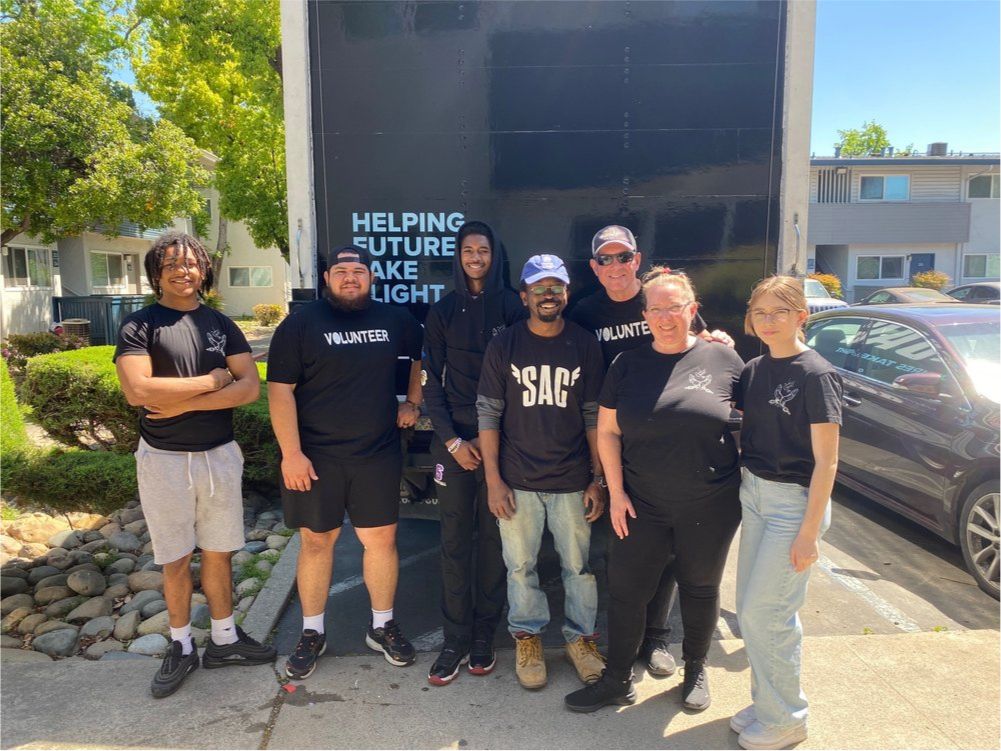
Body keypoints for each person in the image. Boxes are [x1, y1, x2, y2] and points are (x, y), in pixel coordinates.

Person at [565, 268, 743, 714]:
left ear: (693, 310)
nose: (666, 317)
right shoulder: (627, 364)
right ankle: (617, 679)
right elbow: (607, 432)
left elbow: (754, 425)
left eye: (675, 308)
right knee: (626, 592)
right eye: (657, 309)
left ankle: (696, 669)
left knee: (700, 588)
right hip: (640, 502)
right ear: (645, 315)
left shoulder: (724, 360)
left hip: (710, 504)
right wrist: (616, 491)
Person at [114, 231, 275, 699]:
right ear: (156, 273)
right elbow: (137, 391)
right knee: (176, 557)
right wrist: (211, 380)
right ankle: (181, 645)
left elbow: (248, 388)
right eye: (171, 264)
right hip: (163, 460)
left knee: (221, 550)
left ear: (203, 269)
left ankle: (224, 639)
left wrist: (184, 403)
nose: (182, 271)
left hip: (219, 455)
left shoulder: (221, 324)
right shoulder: (140, 325)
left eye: (190, 263)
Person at [267, 244, 424, 680]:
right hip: (316, 457)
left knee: (381, 541)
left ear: (370, 278)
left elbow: (420, 359)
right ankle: (313, 632)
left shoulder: (395, 320)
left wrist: (412, 400)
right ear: (327, 279)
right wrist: (291, 454)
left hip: (376, 452)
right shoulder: (300, 324)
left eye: (358, 271)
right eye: (341, 271)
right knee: (317, 543)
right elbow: (279, 392)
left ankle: (382, 625)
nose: (350, 277)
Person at [477, 254, 607, 691]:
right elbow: (489, 414)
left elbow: (594, 417)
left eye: (556, 287)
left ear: (566, 293)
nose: (548, 294)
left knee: (579, 568)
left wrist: (598, 478)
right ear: (524, 295)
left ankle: (581, 641)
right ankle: (528, 640)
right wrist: (494, 481)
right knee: (520, 568)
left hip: (572, 480)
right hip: (517, 482)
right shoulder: (505, 344)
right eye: (539, 287)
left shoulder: (584, 343)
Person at [729, 276, 841, 751]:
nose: (768, 321)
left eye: (780, 312)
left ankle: (787, 719)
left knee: (766, 614)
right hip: (754, 496)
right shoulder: (754, 369)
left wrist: (809, 532)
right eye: (760, 313)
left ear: (801, 316)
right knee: (755, 611)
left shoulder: (816, 374)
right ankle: (769, 702)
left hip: (792, 505)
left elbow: (828, 461)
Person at [422, 220, 526, 685]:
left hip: (502, 444)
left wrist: (495, 445)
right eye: (468, 250)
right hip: (454, 444)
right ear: (459, 256)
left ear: (494, 255)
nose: (476, 258)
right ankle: (454, 639)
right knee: (454, 540)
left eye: (484, 250)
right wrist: (452, 441)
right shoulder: (442, 312)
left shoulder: (512, 306)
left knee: (493, 541)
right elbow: (431, 386)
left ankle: (484, 637)